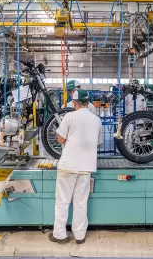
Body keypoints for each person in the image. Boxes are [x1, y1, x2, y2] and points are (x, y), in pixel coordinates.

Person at [50, 89, 103, 244]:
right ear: (88, 102)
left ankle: (60, 235)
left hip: (68, 165)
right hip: (86, 166)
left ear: (75, 102)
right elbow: (98, 142)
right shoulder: (96, 120)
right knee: (81, 202)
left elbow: (60, 140)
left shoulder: (69, 116)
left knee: (63, 201)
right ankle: (79, 235)